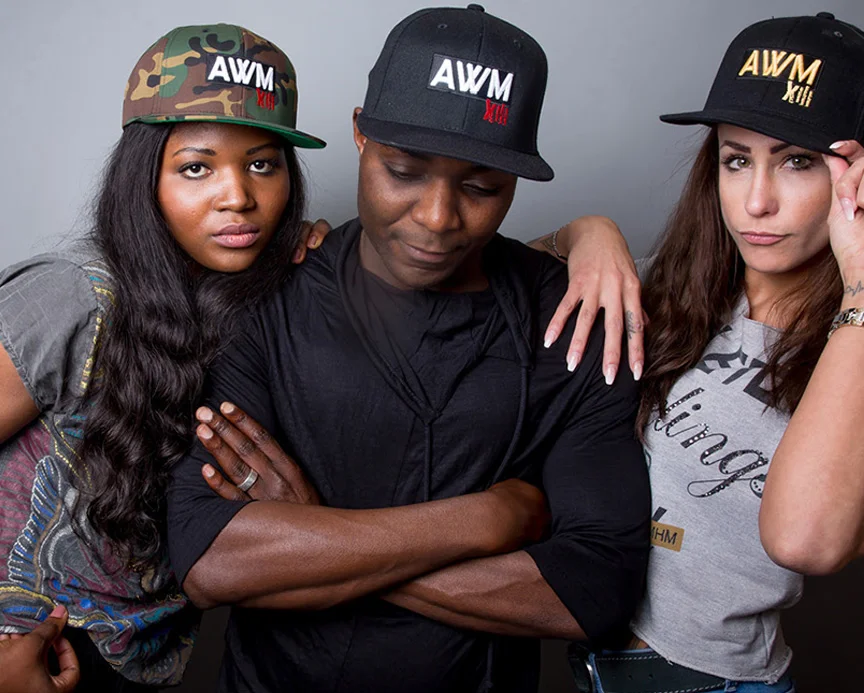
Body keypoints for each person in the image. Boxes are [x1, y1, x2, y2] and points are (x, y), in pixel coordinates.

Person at [166, 5, 651, 692]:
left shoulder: (575, 318)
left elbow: (593, 592)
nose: (437, 217)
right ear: (360, 134)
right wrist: (484, 520)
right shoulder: (269, 294)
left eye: (481, 186)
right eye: (404, 171)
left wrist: (314, 533)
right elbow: (211, 560)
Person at [556, 13, 864, 693]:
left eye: (798, 162)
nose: (756, 201)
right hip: (579, 664)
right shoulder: (660, 287)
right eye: (737, 159)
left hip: (719, 684)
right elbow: (491, 283)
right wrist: (589, 233)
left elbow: (807, 540)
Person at [0, 23, 327, 690]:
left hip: (137, 666)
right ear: (143, 177)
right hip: (26, 653)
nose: (238, 196)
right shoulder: (76, 294)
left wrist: (574, 247)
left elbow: (455, 256)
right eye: (196, 167)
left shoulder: (268, 296)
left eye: (263, 164)